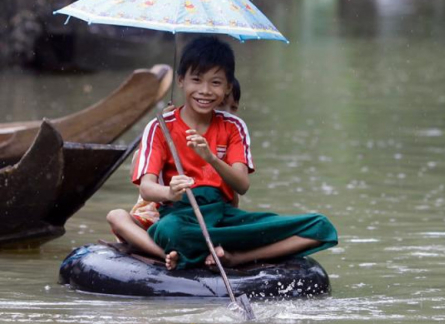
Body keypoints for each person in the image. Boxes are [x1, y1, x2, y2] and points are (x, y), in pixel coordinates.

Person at [132, 36, 337, 270]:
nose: (205, 91)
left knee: (320, 227)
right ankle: (203, 249)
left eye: (216, 83)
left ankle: (236, 258)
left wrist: (210, 157)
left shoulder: (233, 126)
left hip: (224, 216)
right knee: (171, 231)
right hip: (181, 216)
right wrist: (170, 191)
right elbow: (146, 188)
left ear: (229, 86)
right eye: (196, 80)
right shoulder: (160, 127)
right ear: (181, 81)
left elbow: (242, 185)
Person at [106, 77, 243, 259]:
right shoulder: (172, 134)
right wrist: (164, 131)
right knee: (116, 216)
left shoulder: (227, 148)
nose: (227, 114)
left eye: (233, 109)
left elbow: (234, 197)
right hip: (159, 216)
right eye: (221, 107)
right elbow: (140, 176)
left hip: (204, 220)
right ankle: (165, 254)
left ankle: (209, 249)